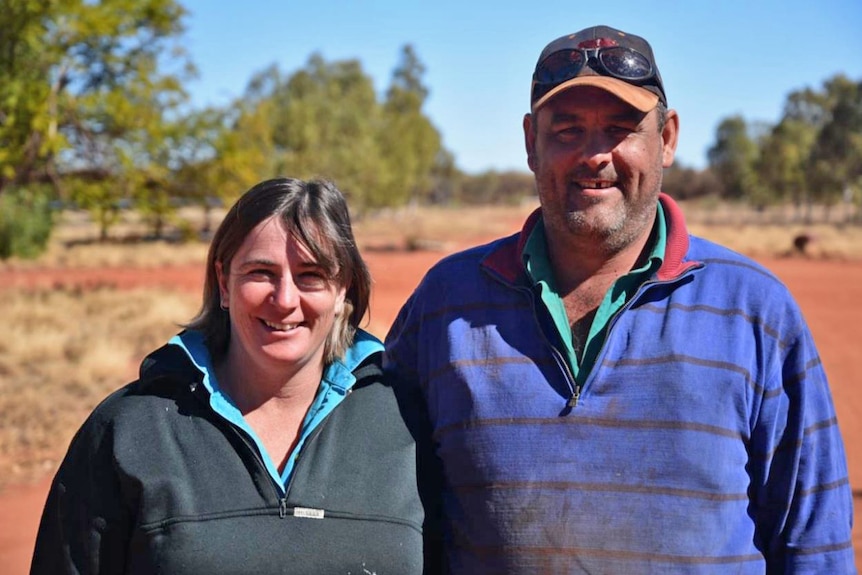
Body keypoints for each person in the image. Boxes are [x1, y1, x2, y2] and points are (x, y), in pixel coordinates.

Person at [384, 25, 854, 573]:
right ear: (531, 141)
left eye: (620, 128)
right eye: (567, 130)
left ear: (668, 138)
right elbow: (390, 516)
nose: (594, 155)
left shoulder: (756, 312)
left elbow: (814, 544)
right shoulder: (446, 304)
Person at [31, 177, 442, 574]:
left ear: (342, 292)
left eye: (310, 276)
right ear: (223, 284)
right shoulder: (128, 430)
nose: (284, 300)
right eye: (261, 272)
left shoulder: (407, 424)